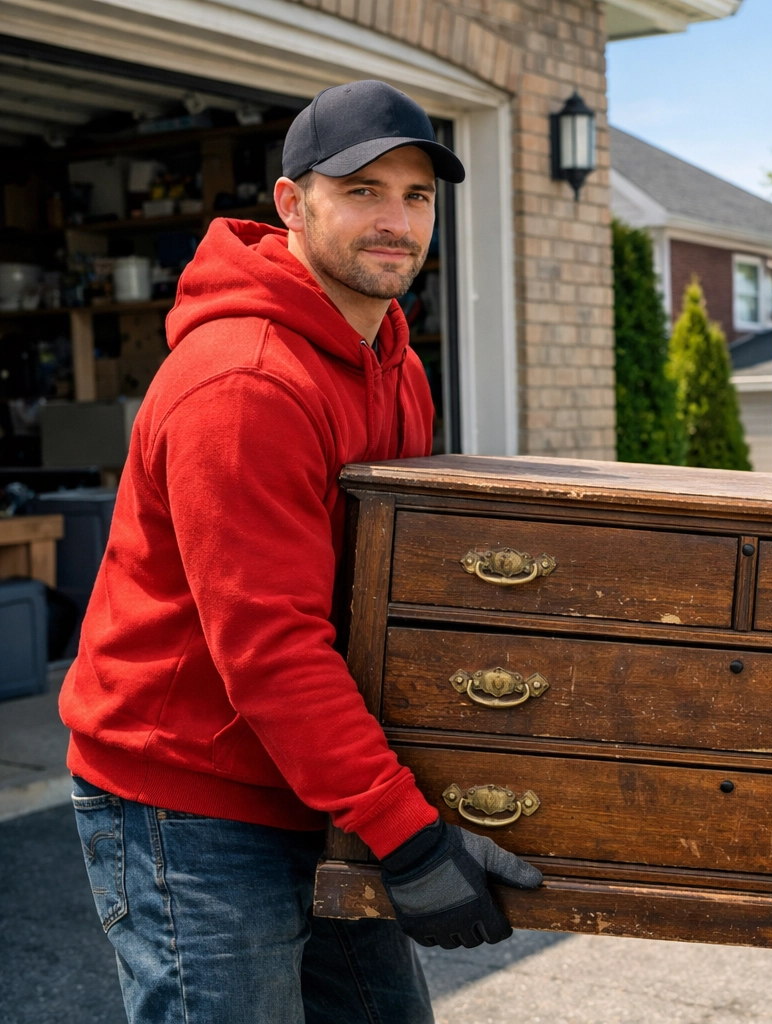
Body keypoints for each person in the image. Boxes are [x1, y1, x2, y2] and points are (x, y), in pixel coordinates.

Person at [60, 81, 541, 1024]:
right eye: (363, 191)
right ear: (292, 204)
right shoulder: (243, 385)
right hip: (185, 801)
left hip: (312, 782)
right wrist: (407, 838)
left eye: (417, 196)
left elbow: (386, 592)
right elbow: (271, 647)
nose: (396, 221)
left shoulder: (391, 357)